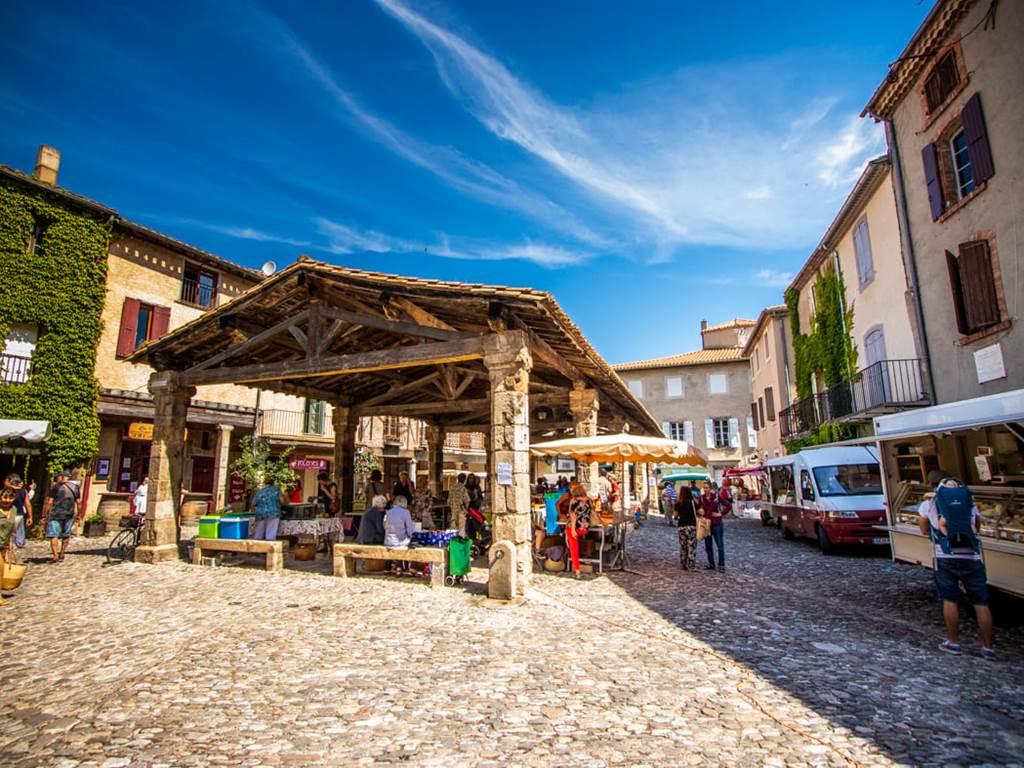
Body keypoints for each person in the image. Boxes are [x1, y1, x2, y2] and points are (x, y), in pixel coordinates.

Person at [918, 471, 995, 657]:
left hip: (944, 556)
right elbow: (977, 528)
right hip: (972, 558)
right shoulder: (968, 504)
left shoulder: (929, 504)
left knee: (950, 600)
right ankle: (988, 647)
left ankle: (954, 642)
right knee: (981, 603)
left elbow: (923, 529)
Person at [42, 470, 80, 563]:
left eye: (58, 476)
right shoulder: (75, 487)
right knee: (66, 534)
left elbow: (49, 502)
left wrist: (44, 514)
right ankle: (62, 553)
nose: (58, 478)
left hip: (56, 514)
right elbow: (79, 502)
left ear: (61, 477)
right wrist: (79, 514)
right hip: (69, 514)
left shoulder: (55, 487)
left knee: (53, 535)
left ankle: (55, 556)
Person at [566, 484, 593, 578]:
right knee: (577, 544)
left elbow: (573, 516)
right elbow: (593, 513)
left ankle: (577, 570)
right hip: (585, 529)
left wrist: (573, 529)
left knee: (574, 548)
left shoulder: (574, 501)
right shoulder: (589, 500)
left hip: (574, 528)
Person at [384, 495, 416, 575]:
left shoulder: (389, 511)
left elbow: (384, 525)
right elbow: (410, 530)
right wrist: (409, 536)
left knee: (400, 541)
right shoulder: (406, 512)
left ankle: (398, 566)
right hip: (400, 542)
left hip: (388, 542)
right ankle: (412, 568)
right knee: (414, 545)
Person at [699, 480, 726, 571]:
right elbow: (699, 509)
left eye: (706, 488)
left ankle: (721, 565)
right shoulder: (702, 498)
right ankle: (711, 564)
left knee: (720, 545)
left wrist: (720, 514)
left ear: (710, 488)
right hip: (706, 524)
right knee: (708, 545)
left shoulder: (716, 497)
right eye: (704, 488)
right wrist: (700, 511)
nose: (705, 489)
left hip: (716, 524)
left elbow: (728, 505)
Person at [0, 488, 18, 605]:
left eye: (10, 498)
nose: (7, 500)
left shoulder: (14, 510)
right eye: (5, 497)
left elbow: (11, 528)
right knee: (0, 569)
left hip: (4, 545)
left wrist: (10, 542)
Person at [4, 474, 31, 552]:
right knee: (18, 529)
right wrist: (30, 516)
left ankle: (10, 545)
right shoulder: (24, 491)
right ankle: (19, 543)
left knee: (9, 531)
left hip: (9, 512)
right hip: (20, 513)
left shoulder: (7, 491)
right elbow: (28, 505)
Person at [675, 484, 699, 570]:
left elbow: (675, 515)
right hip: (691, 527)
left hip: (681, 526)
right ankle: (691, 565)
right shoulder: (693, 503)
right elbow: (700, 512)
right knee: (691, 546)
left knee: (683, 546)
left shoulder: (678, 504)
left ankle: (683, 564)